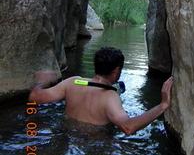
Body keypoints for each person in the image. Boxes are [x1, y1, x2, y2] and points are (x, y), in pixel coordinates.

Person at [29, 47, 173, 135]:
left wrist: (42, 81)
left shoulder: (72, 82)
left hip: (65, 132)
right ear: (116, 71)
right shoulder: (110, 97)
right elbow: (128, 127)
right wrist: (163, 105)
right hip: (96, 144)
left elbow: (35, 97)